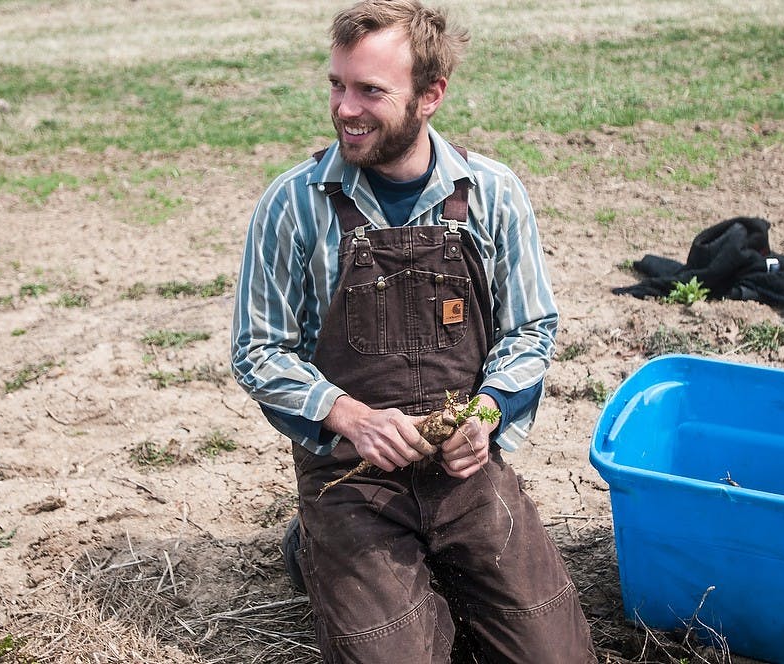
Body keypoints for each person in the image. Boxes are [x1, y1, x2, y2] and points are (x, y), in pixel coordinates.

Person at [231, 1, 596, 661]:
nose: (345, 107)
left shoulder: (491, 192)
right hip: (353, 476)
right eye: (338, 85)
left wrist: (485, 414)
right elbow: (259, 350)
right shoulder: (293, 203)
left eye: (371, 90)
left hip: (465, 468)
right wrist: (347, 415)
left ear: (431, 95)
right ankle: (317, 547)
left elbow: (531, 329)